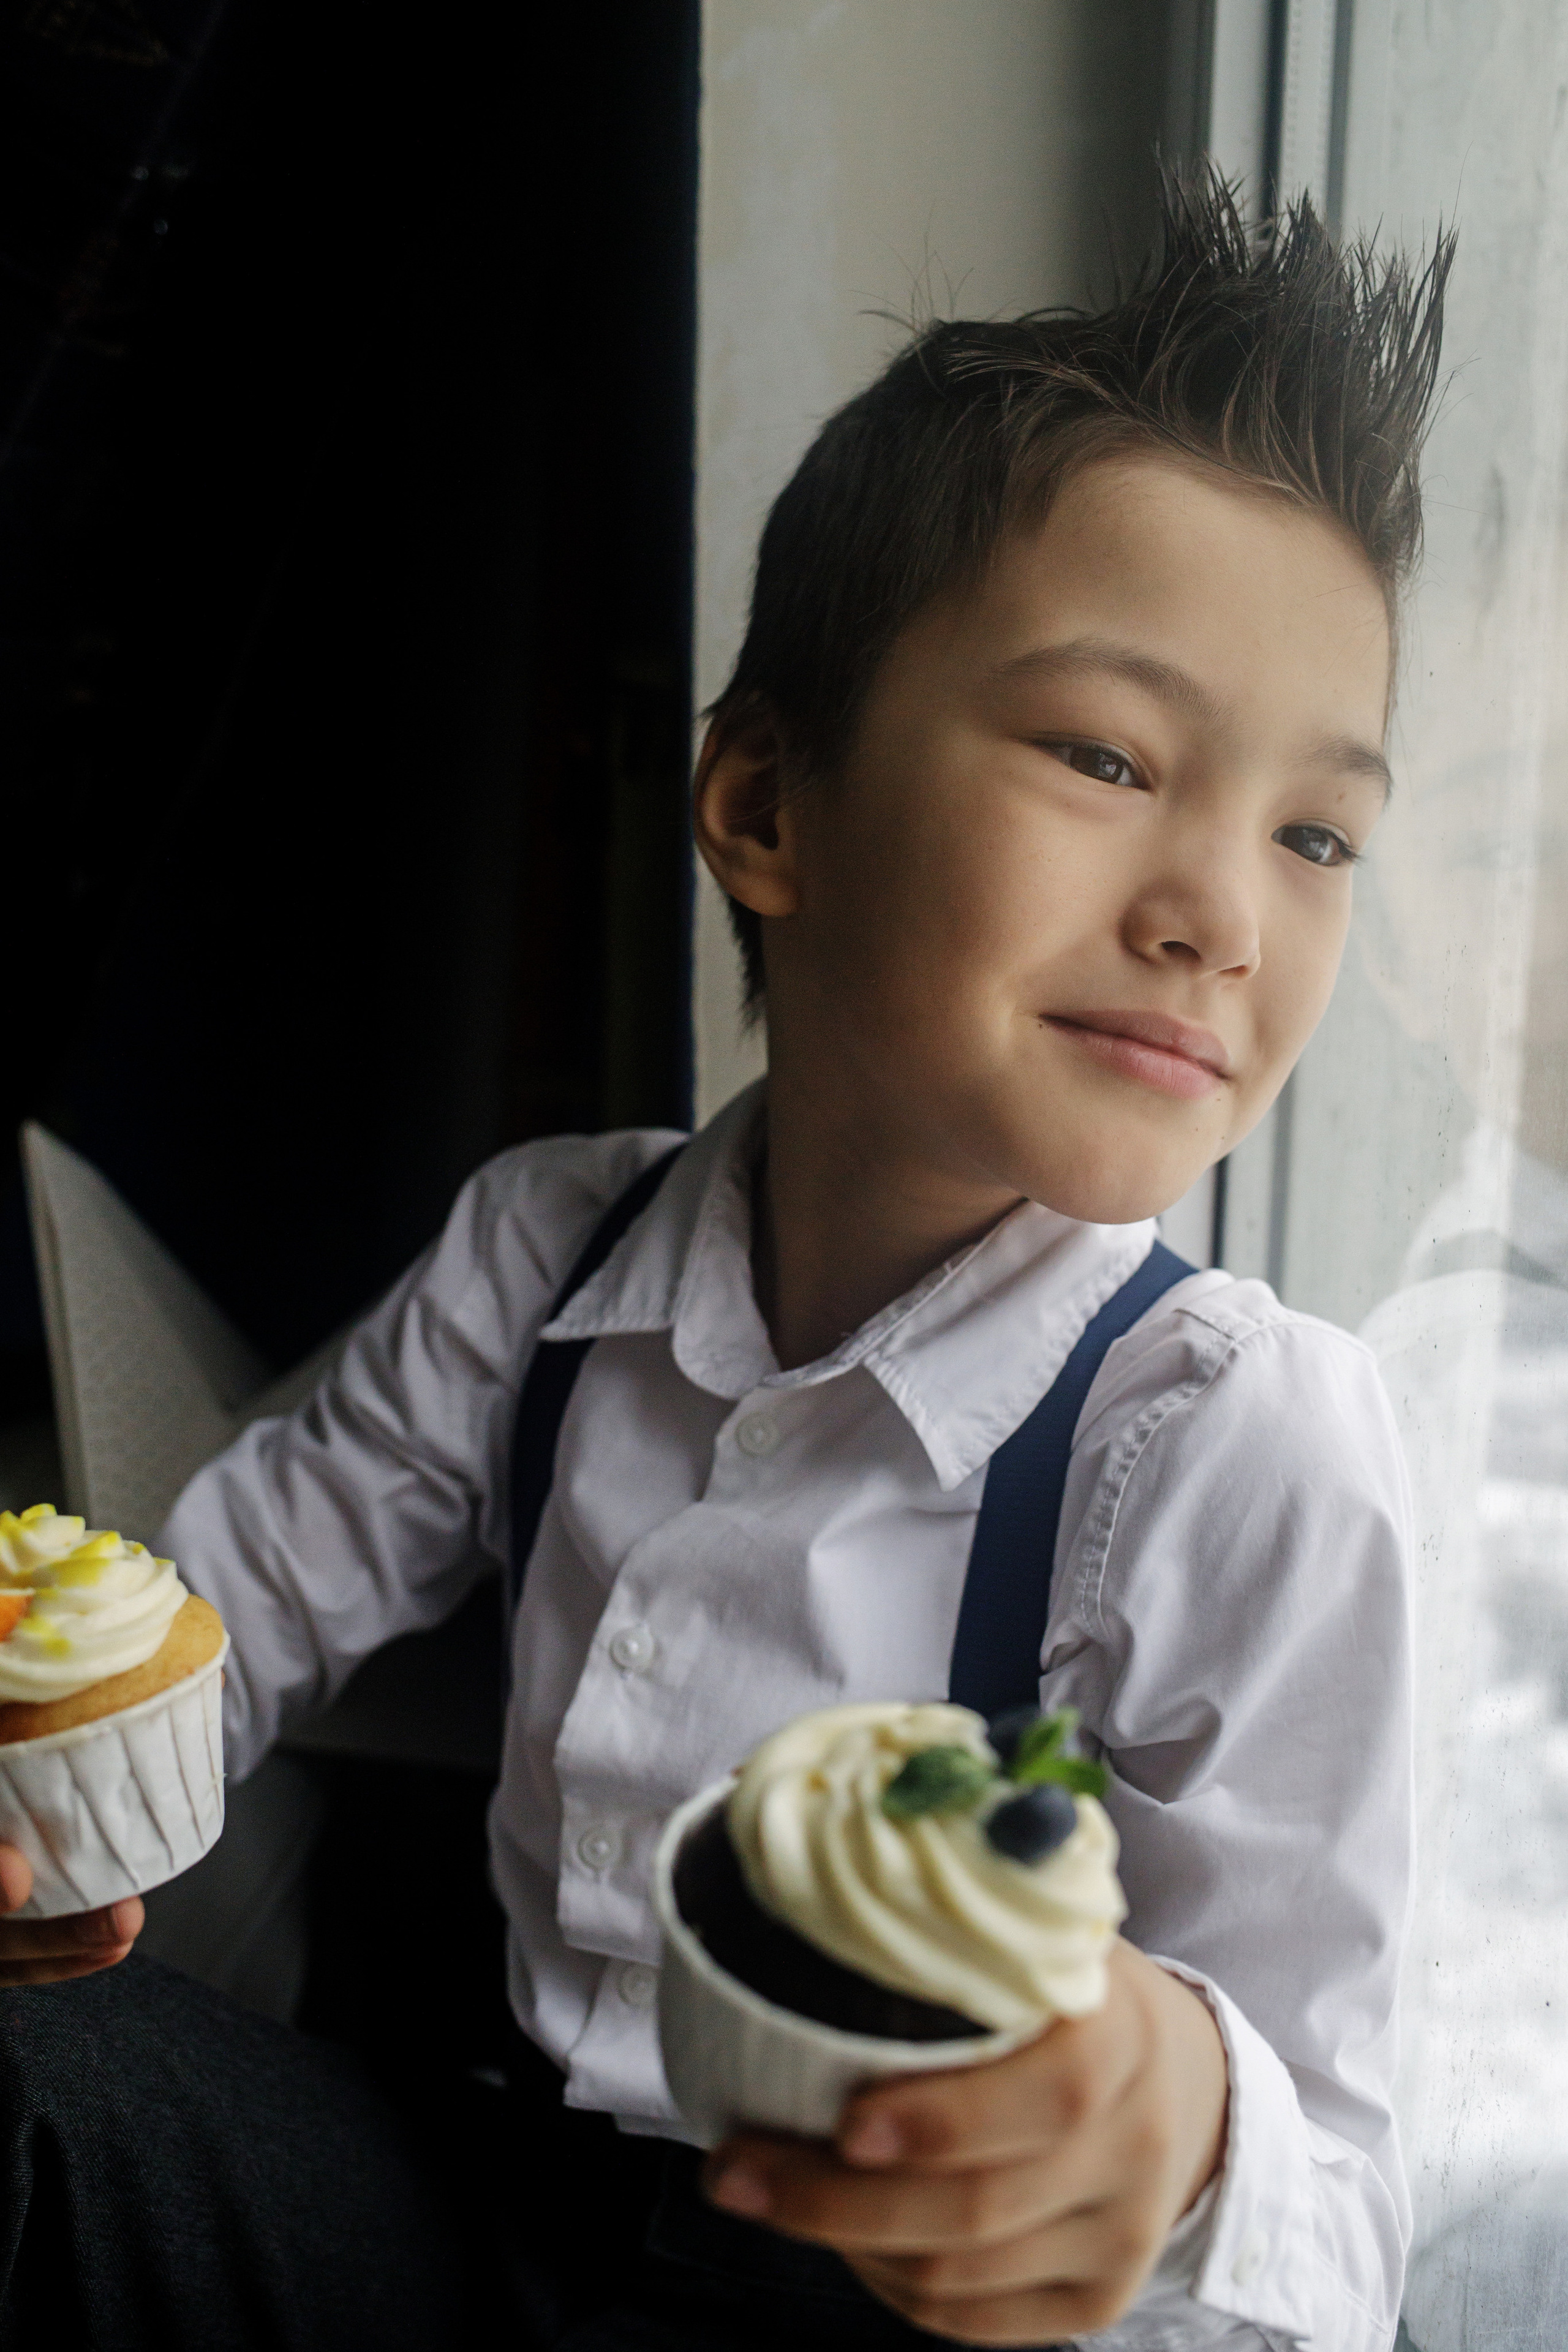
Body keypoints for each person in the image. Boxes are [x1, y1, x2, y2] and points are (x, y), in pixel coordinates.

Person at [0, 175, 1450, 2351]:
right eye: (1107, 753)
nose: (1224, 915)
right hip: (497, 2207)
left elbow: (1347, 2216)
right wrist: (55, 1789)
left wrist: (1176, 2118)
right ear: (769, 808)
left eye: (1314, 831)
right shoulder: (548, 1246)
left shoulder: (1238, 1442)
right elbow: (231, 1613)